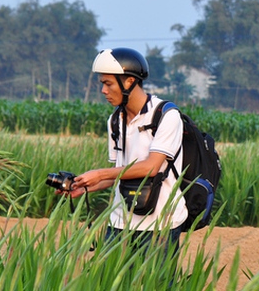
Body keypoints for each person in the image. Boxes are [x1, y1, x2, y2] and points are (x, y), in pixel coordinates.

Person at [67, 48, 187, 255]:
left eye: (108, 83)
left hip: (160, 224)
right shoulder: (115, 120)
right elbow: (120, 174)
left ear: (129, 82)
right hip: (120, 221)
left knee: (157, 287)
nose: (103, 91)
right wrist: (83, 187)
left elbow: (151, 168)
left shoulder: (166, 116)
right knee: (108, 286)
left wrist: (100, 173)